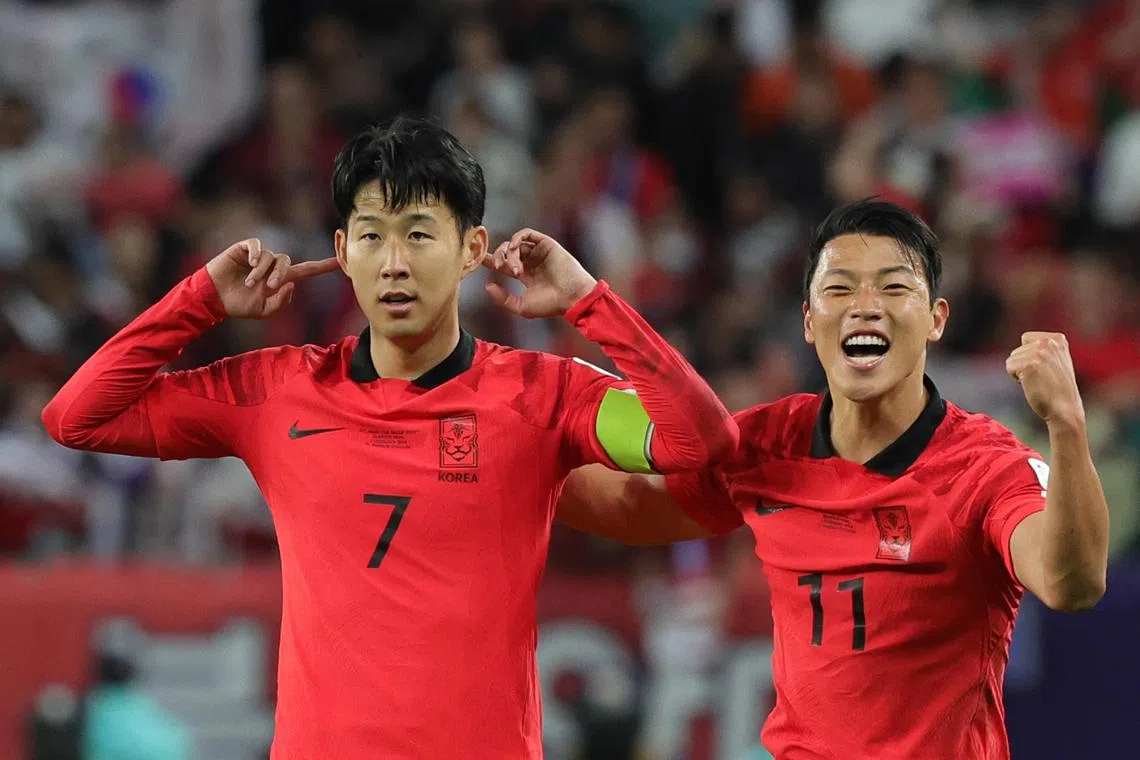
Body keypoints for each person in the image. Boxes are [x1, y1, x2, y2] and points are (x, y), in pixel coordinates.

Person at [41, 116, 739, 759]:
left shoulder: (543, 394)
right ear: (343, 251)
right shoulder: (275, 390)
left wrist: (594, 303)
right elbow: (77, 417)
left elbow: (699, 439)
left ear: (472, 249)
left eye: (419, 232)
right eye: (372, 235)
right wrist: (197, 301)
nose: (394, 262)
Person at [557, 199, 1110, 760]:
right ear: (807, 321)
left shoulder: (985, 466)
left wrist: (1066, 424)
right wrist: (501, 453)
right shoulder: (767, 444)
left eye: (894, 289)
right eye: (840, 289)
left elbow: (1072, 584)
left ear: (936, 319)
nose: (865, 308)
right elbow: (630, 508)